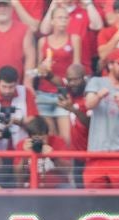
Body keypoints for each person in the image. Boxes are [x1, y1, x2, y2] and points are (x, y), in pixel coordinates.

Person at [84, 53, 119, 188]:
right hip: (97, 152)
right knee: (94, 203)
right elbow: (88, 104)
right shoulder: (96, 82)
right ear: (110, 65)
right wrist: (99, 96)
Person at [35, 4, 81, 140]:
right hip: (43, 93)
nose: (63, 20)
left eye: (66, 18)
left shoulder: (74, 39)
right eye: (60, 17)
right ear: (52, 21)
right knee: (49, 137)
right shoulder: (43, 41)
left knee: (66, 139)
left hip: (63, 93)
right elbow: (37, 70)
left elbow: (77, 68)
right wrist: (42, 67)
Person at [0, 65, 38, 152]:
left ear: (17, 82)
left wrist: (17, 121)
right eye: (4, 86)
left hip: (23, 147)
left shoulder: (25, 92)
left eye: (11, 87)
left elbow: (34, 122)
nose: (7, 91)